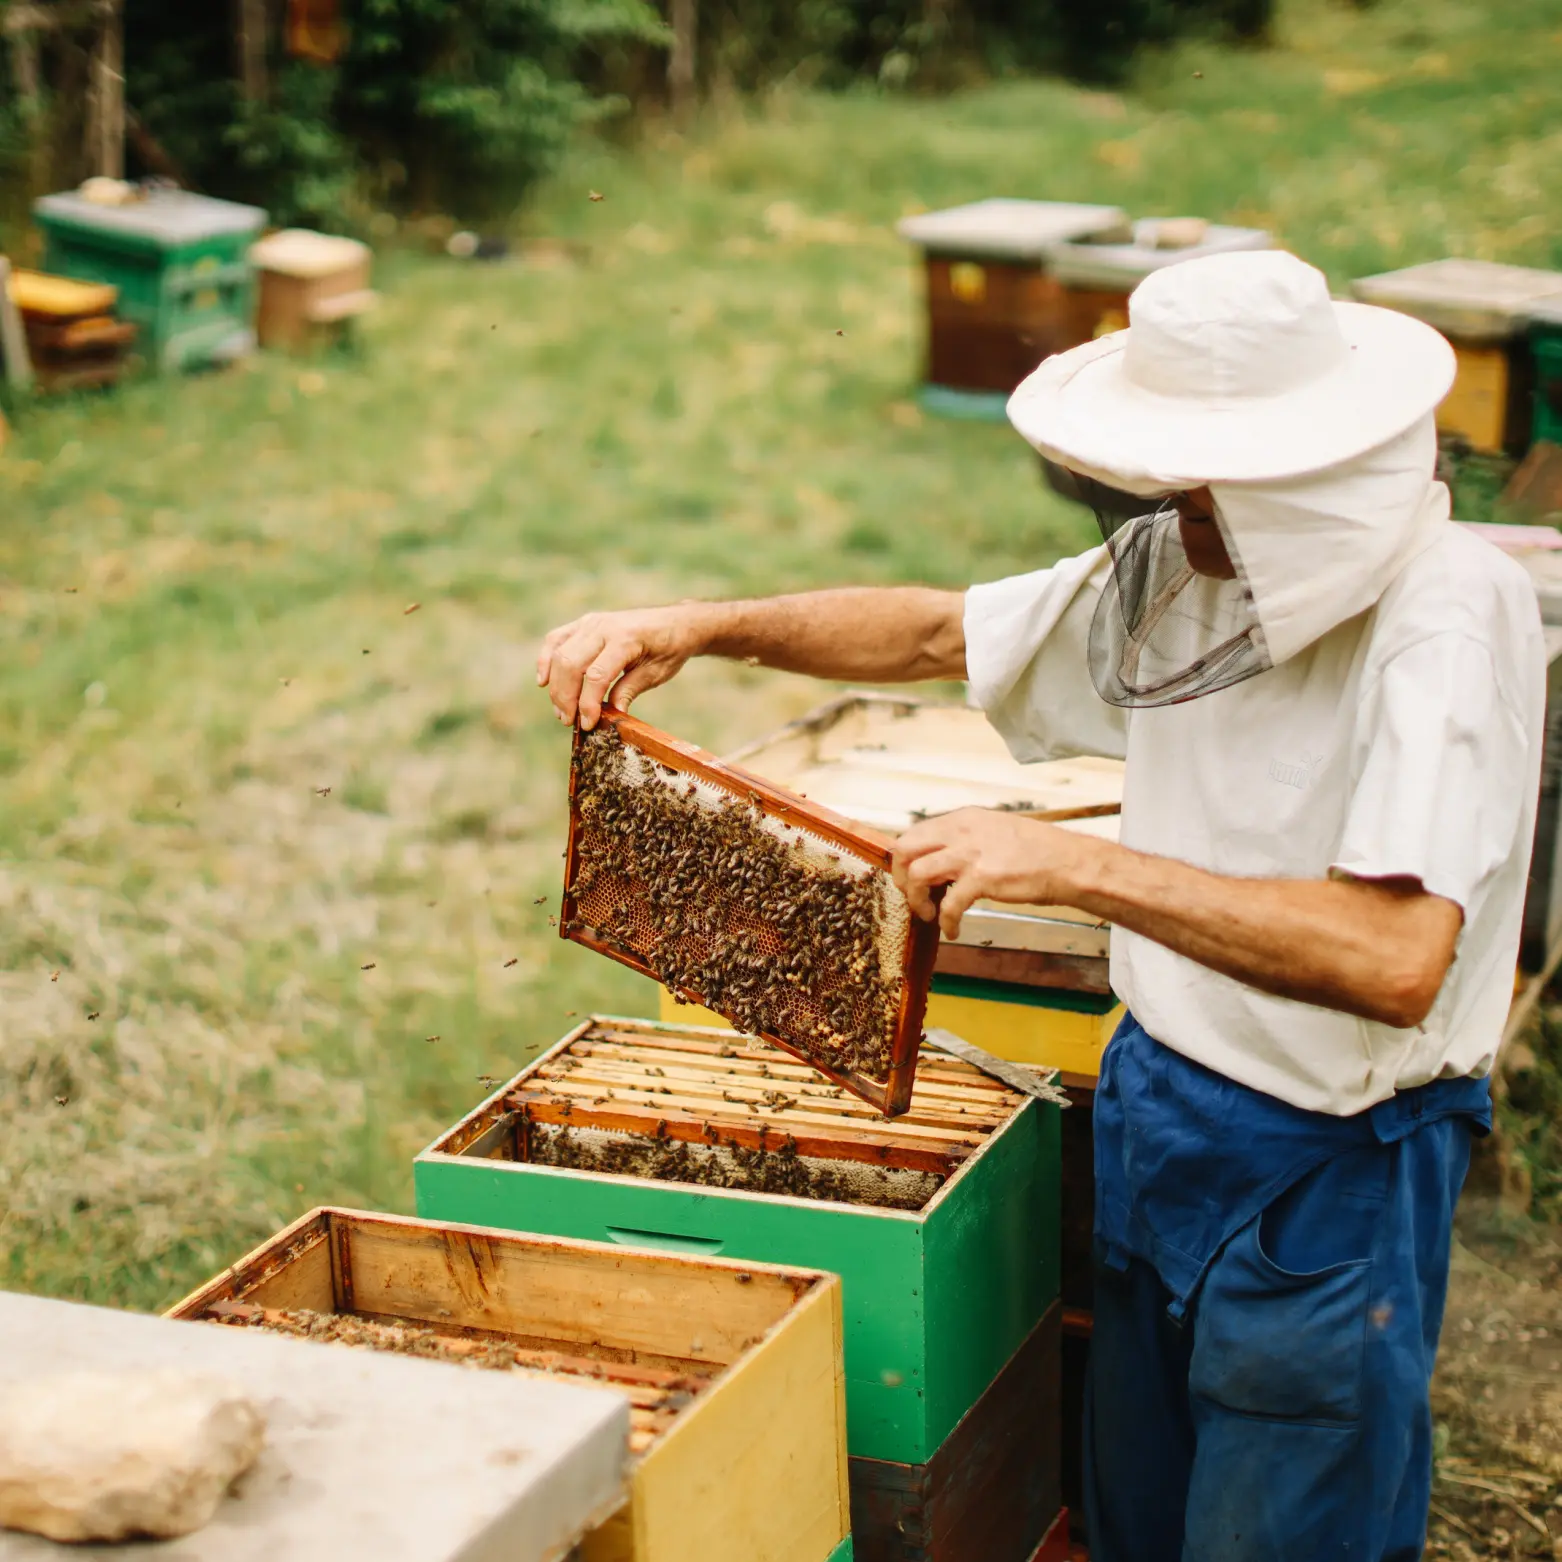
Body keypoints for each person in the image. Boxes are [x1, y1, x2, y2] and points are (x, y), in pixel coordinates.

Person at [536, 249, 1546, 1562]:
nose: (1166, 508)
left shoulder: (1445, 622)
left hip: (1334, 1159)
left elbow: (1395, 953)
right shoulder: (1189, 567)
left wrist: (1072, 868)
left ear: (1313, 471)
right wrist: (703, 623)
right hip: (1159, 1097)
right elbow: (936, 638)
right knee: (1129, 1511)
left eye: (1198, 480)